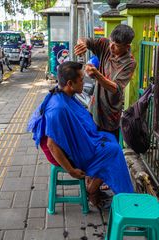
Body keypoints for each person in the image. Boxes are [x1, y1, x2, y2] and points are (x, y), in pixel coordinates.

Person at [27, 61, 134, 207]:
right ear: (70, 83)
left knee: (110, 139)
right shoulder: (57, 109)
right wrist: (71, 170)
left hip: (77, 147)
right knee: (114, 152)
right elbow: (52, 145)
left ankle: (96, 184)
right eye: (82, 80)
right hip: (70, 156)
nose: (84, 83)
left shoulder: (65, 95)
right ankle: (115, 197)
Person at [74, 24, 136, 141]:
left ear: (127, 47)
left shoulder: (129, 62)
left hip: (110, 114)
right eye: (111, 42)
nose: (111, 47)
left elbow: (115, 88)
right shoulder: (105, 44)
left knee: (109, 148)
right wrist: (82, 44)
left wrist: (97, 75)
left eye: (116, 46)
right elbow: (86, 40)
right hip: (94, 108)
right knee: (93, 145)